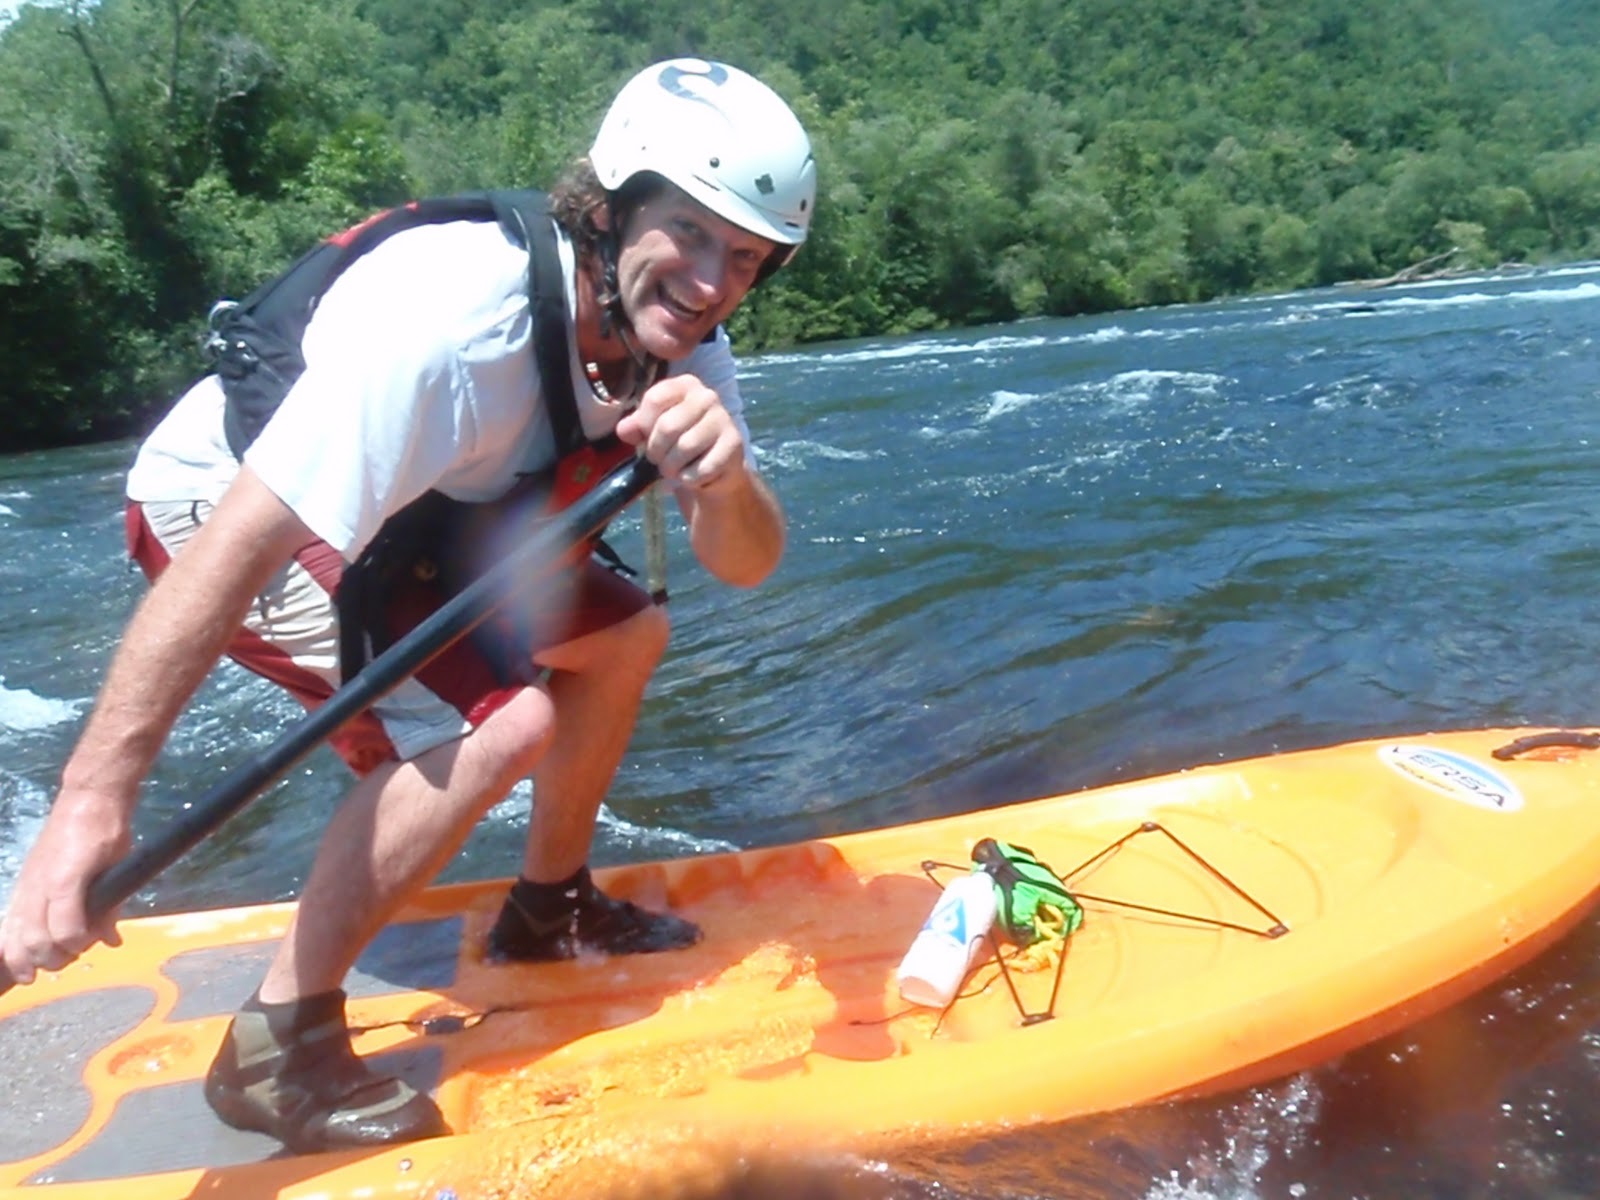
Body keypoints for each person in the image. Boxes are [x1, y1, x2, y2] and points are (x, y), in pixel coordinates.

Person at [0, 58, 816, 1154]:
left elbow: (747, 562)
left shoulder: (684, 347)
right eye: (691, 232)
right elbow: (248, 536)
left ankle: (548, 909)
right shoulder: (451, 329)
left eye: (748, 259)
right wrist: (91, 801)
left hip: (413, 510)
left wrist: (726, 480)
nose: (715, 282)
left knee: (629, 634)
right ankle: (275, 1051)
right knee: (507, 723)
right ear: (611, 206)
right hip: (223, 499)